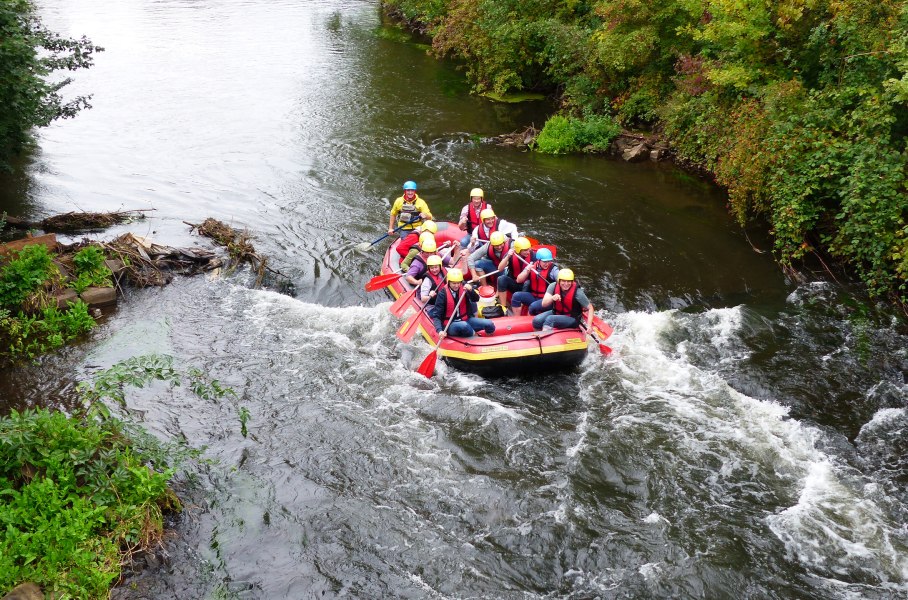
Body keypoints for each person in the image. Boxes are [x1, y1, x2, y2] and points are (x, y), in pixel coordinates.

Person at [431, 268, 496, 338]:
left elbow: (476, 299)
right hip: (450, 324)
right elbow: (436, 316)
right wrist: (439, 330)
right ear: (448, 282)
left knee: (489, 324)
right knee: (464, 326)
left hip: (466, 319)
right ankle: (475, 337)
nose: (456, 286)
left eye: (458, 283)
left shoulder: (464, 286)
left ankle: (489, 339)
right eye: (454, 283)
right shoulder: (442, 294)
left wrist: (471, 290)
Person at [513, 247, 559, 315]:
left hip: (546, 300)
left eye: (548, 261)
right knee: (516, 296)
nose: (547, 264)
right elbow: (519, 280)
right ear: (539, 260)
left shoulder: (553, 270)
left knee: (533, 306)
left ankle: (530, 323)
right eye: (544, 261)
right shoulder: (532, 266)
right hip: (534, 296)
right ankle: (516, 319)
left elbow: (560, 279)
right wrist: (527, 270)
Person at [495, 236, 533, 312]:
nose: (528, 252)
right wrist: (507, 257)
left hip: (527, 286)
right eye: (525, 250)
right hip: (515, 283)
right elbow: (500, 268)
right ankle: (503, 306)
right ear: (518, 250)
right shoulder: (511, 254)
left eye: (529, 249)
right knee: (501, 279)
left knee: (527, 283)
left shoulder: (533, 256)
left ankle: (521, 307)